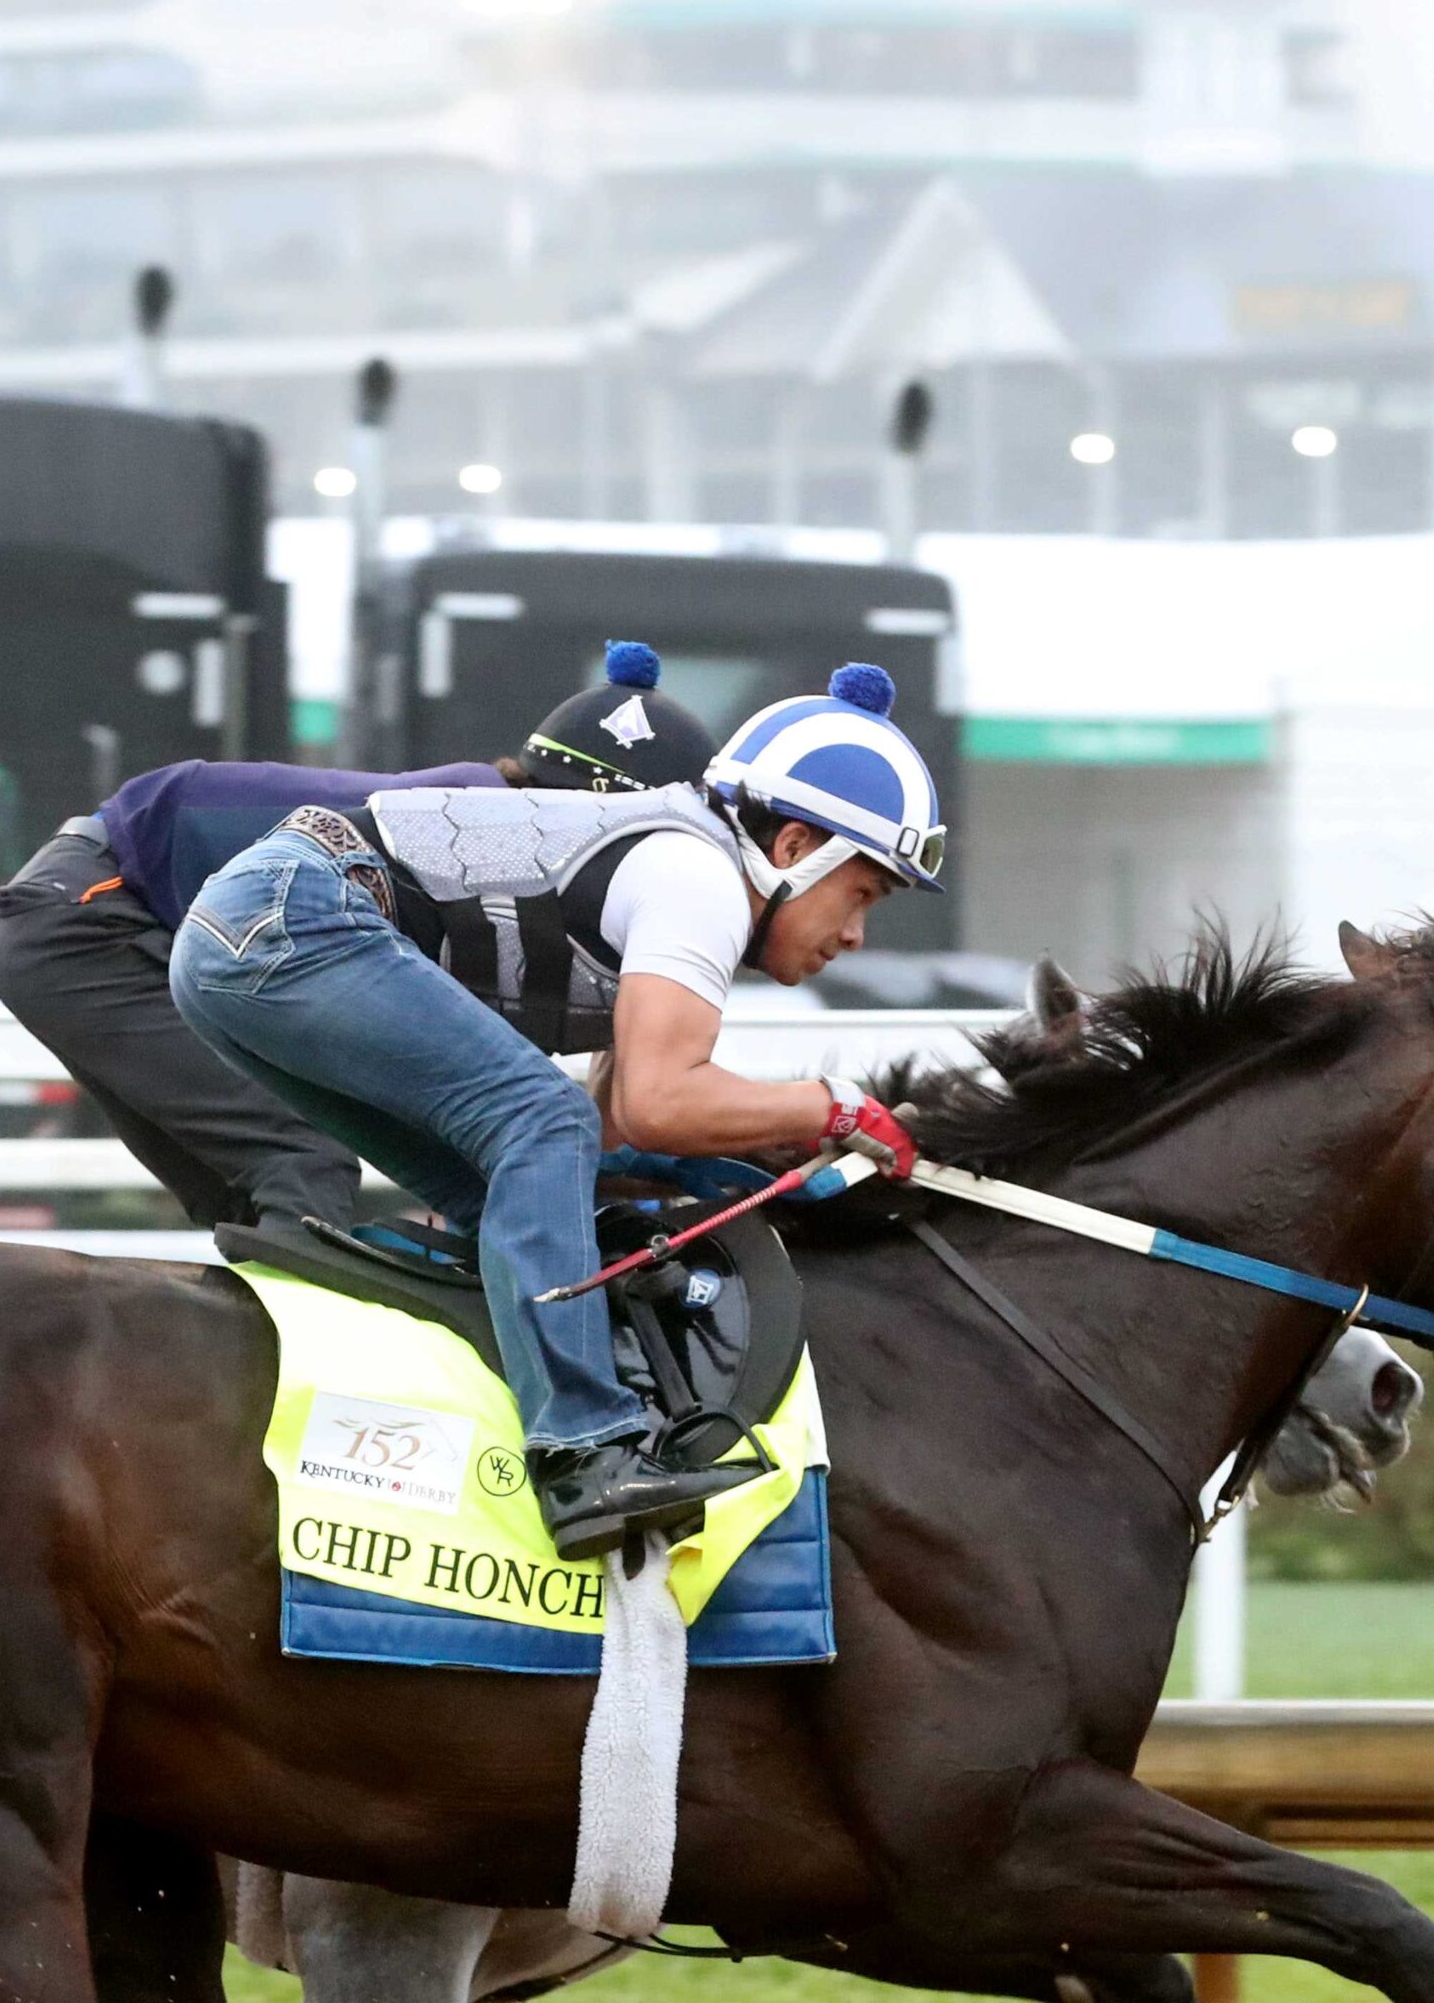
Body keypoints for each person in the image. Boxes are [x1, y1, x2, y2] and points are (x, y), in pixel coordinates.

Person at [168, 663, 939, 1556]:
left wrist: (765, 1161)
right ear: (798, 848)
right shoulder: (699, 879)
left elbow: (620, 1131)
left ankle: (492, 1420)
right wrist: (835, 1109)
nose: (854, 936)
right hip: (292, 921)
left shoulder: (685, 868)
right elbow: (657, 1103)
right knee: (541, 1126)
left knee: (545, 1180)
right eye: (864, 897)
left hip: (245, 936)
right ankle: (583, 1451)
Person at [0, 643, 716, 1239]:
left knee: (259, 1194)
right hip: (93, 913)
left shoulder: (509, 837)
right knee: (302, 1157)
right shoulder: (490, 830)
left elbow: (588, 1115)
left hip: (86, 910)